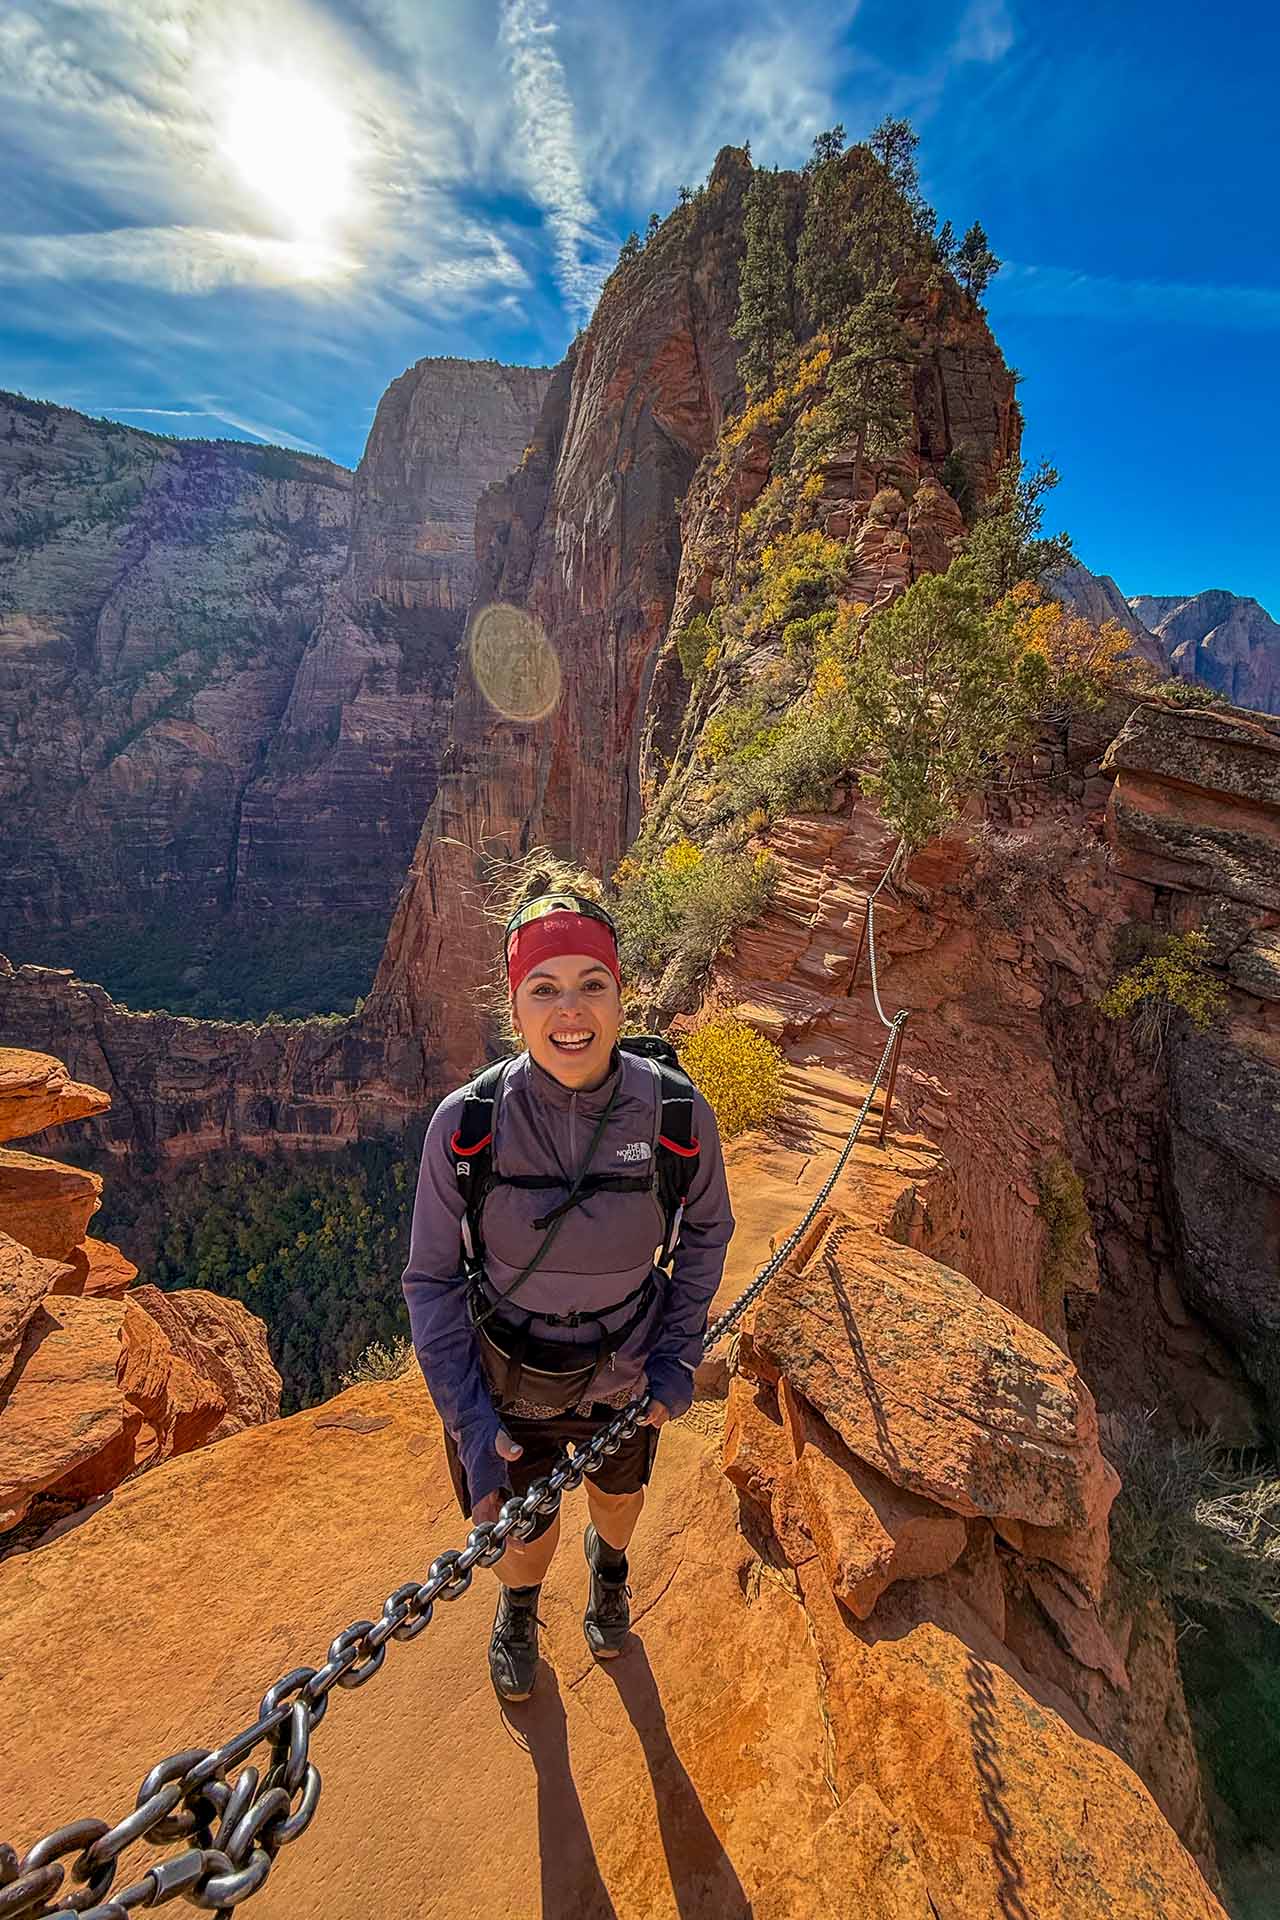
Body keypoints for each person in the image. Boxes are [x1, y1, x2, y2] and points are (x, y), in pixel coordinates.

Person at [401, 878, 735, 1702]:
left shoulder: (678, 1117)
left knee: (619, 1499)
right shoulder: (465, 1125)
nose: (570, 1011)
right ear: (514, 1007)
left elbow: (707, 1233)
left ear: (623, 996)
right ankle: (520, 1605)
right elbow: (431, 1280)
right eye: (544, 990)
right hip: (509, 1381)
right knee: (525, 1530)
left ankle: (610, 1566)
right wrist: (468, 1419)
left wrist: (676, 1358)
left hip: (626, 1373)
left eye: (593, 985)